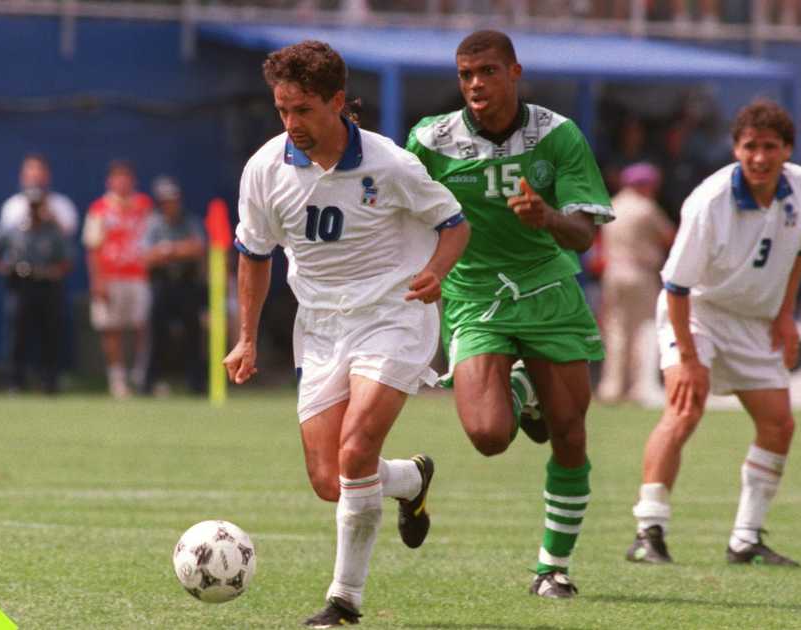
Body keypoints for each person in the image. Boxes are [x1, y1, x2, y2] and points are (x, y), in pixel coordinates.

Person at [223, 40, 469, 627]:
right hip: (323, 328)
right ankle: (409, 479)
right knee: (331, 480)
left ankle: (344, 600)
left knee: (357, 449)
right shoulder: (264, 169)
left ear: (338, 103)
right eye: (282, 110)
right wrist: (248, 338)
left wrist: (436, 271)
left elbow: (454, 225)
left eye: (303, 109)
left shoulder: (390, 165)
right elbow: (254, 256)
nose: (291, 124)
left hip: (394, 315)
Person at [406, 30, 613, 598]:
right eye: (466, 74)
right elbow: (398, 213)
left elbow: (585, 235)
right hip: (476, 296)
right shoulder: (430, 140)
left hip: (547, 289)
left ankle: (553, 568)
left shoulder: (557, 135)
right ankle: (521, 389)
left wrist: (546, 217)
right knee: (489, 435)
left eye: (488, 72)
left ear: (514, 73)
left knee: (569, 433)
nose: (476, 84)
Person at [625, 99, 801, 567]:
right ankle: (648, 532)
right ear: (736, 148)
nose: (760, 157)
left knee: (779, 423)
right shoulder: (709, 202)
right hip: (697, 312)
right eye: (750, 146)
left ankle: (745, 539)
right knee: (684, 410)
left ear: (787, 150)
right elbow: (676, 285)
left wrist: (785, 315)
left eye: (770, 146)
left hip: (754, 321)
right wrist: (688, 358)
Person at [596, 162, 674, 404]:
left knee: (616, 330)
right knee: (644, 330)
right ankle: (639, 387)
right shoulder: (646, 208)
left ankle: (611, 388)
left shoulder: (612, 205)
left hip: (612, 273)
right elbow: (669, 236)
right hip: (640, 273)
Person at [0, 188, 73, 393]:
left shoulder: (52, 230)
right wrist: (2, 267)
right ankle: (15, 382)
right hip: (20, 285)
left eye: (39, 205)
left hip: (46, 285)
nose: (35, 210)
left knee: (49, 334)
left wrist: (56, 271)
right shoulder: (13, 229)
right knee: (16, 336)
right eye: (32, 205)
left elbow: (67, 258)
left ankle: (49, 381)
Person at [82, 160, 153, 398]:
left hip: (138, 276)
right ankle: (117, 379)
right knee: (111, 329)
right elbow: (93, 248)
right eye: (117, 177)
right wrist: (97, 280)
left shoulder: (144, 206)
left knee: (141, 327)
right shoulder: (99, 209)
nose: (122, 182)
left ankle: (141, 376)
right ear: (109, 181)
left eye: (126, 177)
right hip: (111, 276)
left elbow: (152, 239)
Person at [141, 176, 206, 395]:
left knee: (192, 334)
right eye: (166, 200)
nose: (170, 204)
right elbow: (147, 257)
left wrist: (169, 250)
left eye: (173, 199)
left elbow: (198, 248)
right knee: (157, 335)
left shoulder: (190, 221)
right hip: (162, 284)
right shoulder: (153, 223)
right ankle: (149, 383)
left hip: (186, 283)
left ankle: (196, 384)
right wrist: (172, 251)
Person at [0, 153, 79, 237]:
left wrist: (51, 216)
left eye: (39, 173)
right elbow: (6, 234)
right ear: (23, 177)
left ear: (47, 176)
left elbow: (69, 233)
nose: (35, 177)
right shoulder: (13, 205)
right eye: (31, 174)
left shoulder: (62, 204)